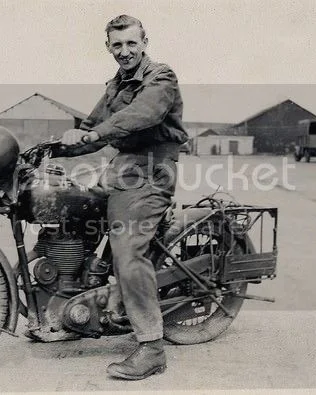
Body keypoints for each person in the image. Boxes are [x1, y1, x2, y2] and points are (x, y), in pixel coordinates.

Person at [53, 15, 188, 380]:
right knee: (69, 207)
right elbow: (90, 128)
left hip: (153, 171)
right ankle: (81, 293)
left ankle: (152, 348)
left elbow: (139, 116)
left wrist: (91, 135)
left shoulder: (161, 77)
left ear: (144, 41)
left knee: (128, 250)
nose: (124, 51)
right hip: (122, 167)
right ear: (108, 47)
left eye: (131, 43)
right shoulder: (116, 84)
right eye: (117, 45)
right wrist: (50, 150)